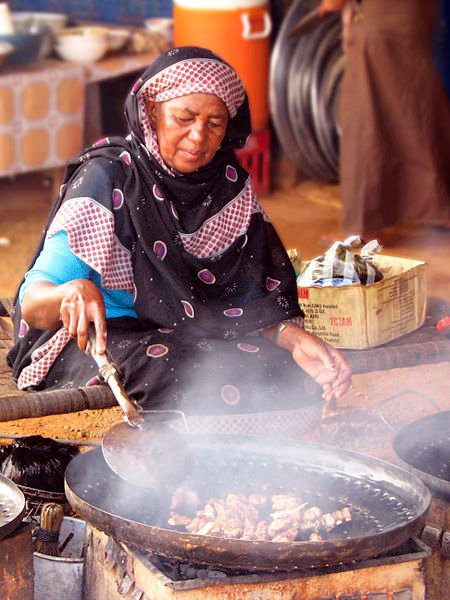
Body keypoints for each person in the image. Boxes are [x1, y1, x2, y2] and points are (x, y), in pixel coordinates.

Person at [7, 46, 351, 439]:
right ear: (151, 112)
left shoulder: (228, 188)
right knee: (181, 371)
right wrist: (71, 290)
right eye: (183, 118)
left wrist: (294, 339)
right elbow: (33, 307)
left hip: (190, 334)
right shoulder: (107, 178)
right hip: (100, 340)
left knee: (286, 373)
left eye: (216, 123)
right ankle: (190, 466)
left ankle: (237, 465)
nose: (199, 137)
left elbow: (248, 302)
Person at [319, 0, 450, 238]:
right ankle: (440, 206)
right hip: (416, 17)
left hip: (380, 25)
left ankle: (360, 228)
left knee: (363, 120)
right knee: (415, 109)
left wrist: (330, 5)